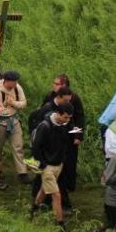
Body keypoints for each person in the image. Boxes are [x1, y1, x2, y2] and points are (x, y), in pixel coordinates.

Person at [30, 104, 74, 232]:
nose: (67, 120)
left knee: (44, 190)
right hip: (47, 166)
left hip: (58, 164)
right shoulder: (45, 126)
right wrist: (43, 164)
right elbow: (36, 147)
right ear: (59, 114)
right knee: (56, 195)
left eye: (69, 118)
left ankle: (33, 210)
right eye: (66, 117)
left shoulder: (65, 125)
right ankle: (60, 225)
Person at [44, 75, 85, 209]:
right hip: (53, 138)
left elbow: (79, 118)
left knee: (70, 162)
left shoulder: (75, 98)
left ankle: (69, 186)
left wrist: (77, 135)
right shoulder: (49, 98)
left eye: (57, 84)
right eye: (54, 83)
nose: (54, 86)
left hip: (70, 135)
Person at [0, 71, 29, 184]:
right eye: (13, 81)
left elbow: (23, 103)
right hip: (1, 123)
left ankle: (22, 173)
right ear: (6, 81)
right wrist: (14, 107)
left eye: (16, 81)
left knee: (18, 146)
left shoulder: (18, 88)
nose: (15, 83)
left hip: (15, 120)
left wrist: (13, 103)